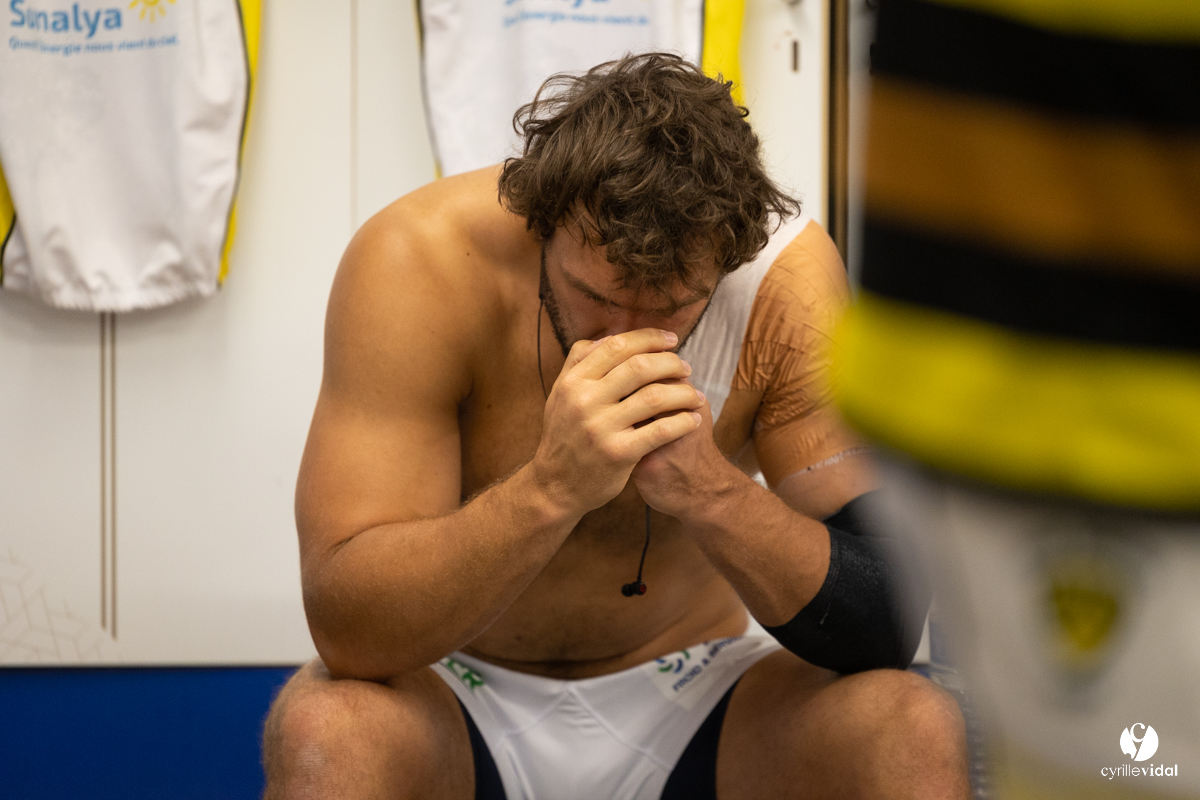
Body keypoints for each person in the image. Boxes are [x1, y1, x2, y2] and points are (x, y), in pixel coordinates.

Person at [263, 53, 969, 800]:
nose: (625, 336)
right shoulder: (422, 259)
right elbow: (348, 630)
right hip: (455, 687)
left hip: (692, 687)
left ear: (728, 260)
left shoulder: (783, 287)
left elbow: (884, 624)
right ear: (538, 224)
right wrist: (550, 487)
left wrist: (709, 493)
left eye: (672, 307)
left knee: (914, 726)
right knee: (325, 734)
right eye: (593, 294)